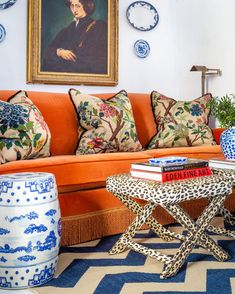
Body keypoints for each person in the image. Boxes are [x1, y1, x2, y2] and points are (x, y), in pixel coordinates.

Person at [42, 0, 108, 74]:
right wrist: (60, 52)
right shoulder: (68, 29)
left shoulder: (98, 27)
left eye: (78, 6)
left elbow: (96, 60)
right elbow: (48, 51)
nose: (74, 9)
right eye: (72, 6)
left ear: (86, 6)